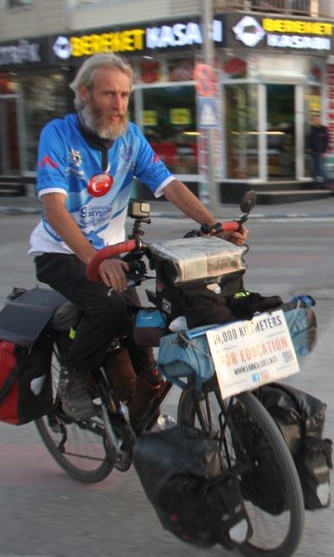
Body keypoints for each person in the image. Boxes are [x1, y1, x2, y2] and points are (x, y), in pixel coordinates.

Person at [29, 52, 247, 421]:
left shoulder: (129, 138)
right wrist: (94, 258)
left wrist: (213, 228)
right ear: (84, 93)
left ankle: (137, 412)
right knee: (110, 308)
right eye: (108, 95)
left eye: (125, 95)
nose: (118, 105)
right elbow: (54, 208)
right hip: (62, 252)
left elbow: (169, 186)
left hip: (112, 253)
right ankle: (74, 377)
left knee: (142, 329)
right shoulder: (59, 135)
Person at [306, 115, 330, 186]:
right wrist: (308, 147)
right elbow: (309, 139)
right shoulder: (312, 129)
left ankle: (326, 182)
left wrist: (324, 152)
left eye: (317, 120)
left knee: (322, 168)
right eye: (314, 120)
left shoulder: (324, 129)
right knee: (313, 169)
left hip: (321, 152)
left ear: (320, 121)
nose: (316, 121)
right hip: (313, 152)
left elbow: (326, 141)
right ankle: (314, 183)